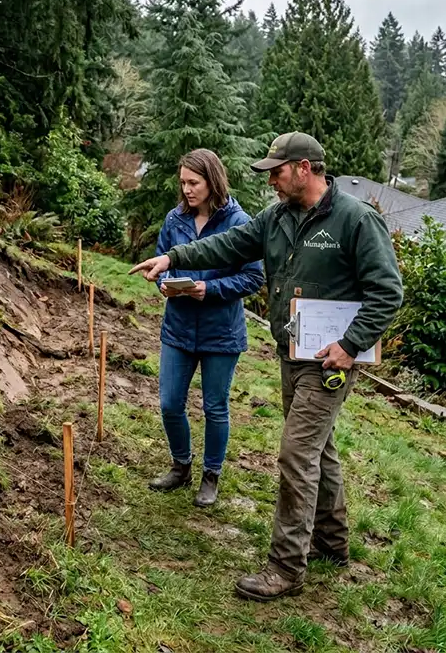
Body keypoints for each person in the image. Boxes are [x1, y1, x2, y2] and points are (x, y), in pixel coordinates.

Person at [130, 132, 403, 602]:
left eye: (276, 171)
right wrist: (173, 256)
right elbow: (227, 246)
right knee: (321, 448)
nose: (271, 180)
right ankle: (332, 543)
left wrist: (351, 344)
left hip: (331, 360)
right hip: (291, 353)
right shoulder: (275, 219)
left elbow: (387, 292)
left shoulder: (356, 220)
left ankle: (286, 567)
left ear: (303, 168)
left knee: (297, 455)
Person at [150, 149, 264, 508]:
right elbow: (162, 260)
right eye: (182, 182)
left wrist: (209, 289)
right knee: (170, 403)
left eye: (193, 182)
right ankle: (180, 465)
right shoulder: (174, 219)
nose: (186, 189)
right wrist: (165, 283)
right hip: (178, 328)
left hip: (221, 333)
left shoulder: (240, 223)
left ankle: (210, 476)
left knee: (215, 407)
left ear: (212, 181)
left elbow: (253, 277)